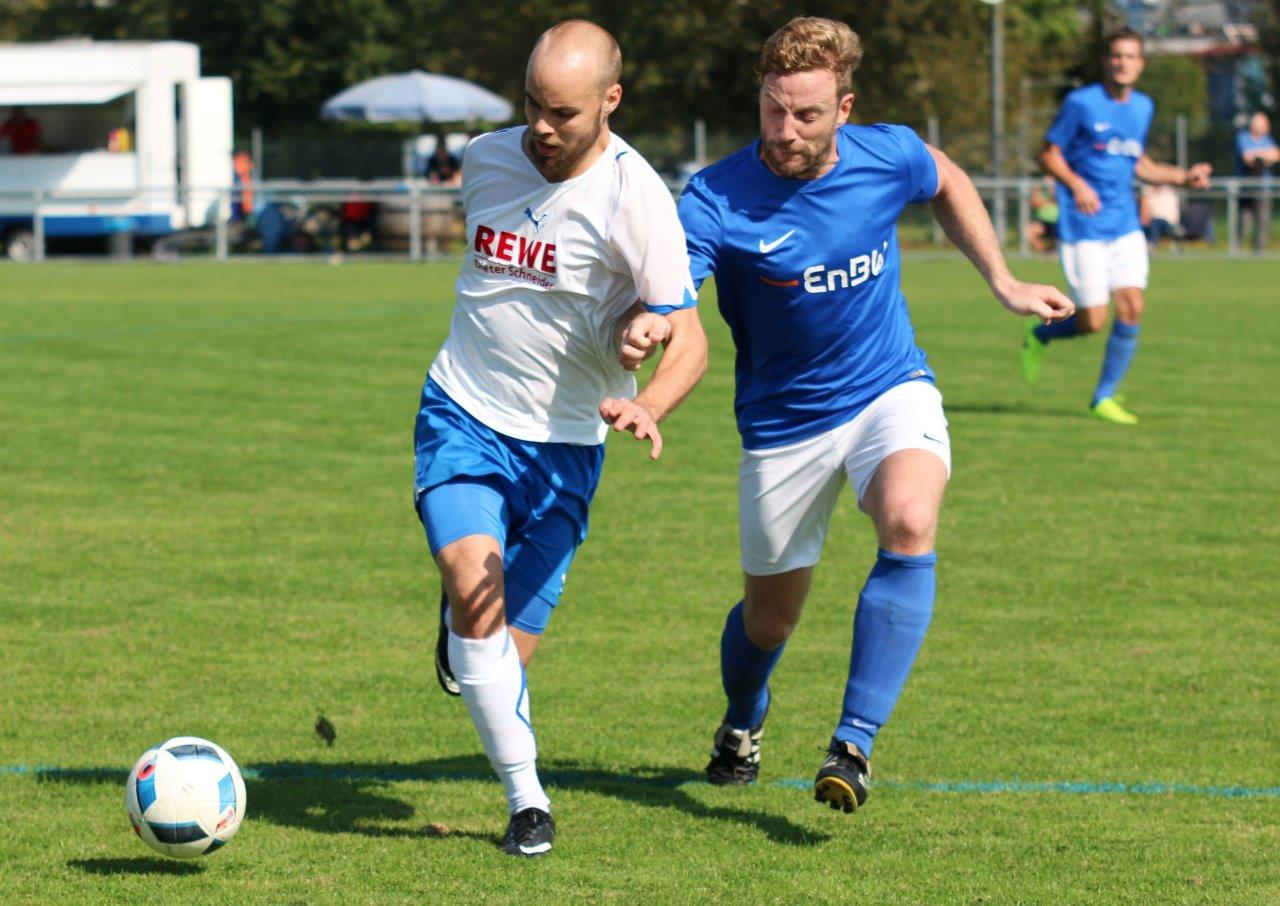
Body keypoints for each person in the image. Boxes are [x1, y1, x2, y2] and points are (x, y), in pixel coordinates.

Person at [676, 17, 1073, 813]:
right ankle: (743, 718)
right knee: (768, 621)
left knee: (909, 520)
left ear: (845, 108)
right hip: (783, 425)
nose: (785, 132)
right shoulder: (713, 195)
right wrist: (654, 325)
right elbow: (677, 298)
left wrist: (1001, 279)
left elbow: (947, 178)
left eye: (807, 115)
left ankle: (852, 744)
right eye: (772, 110)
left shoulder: (886, 153)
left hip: (888, 387)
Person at [414, 19, 706, 856]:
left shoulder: (635, 197)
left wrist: (649, 396)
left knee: (501, 652)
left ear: (610, 101)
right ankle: (527, 803)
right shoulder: (485, 158)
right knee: (476, 598)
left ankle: (470, 637)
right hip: (463, 411)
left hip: (568, 447)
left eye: (565, 114)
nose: (542, 128)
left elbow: (688, 337)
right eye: (534, 106)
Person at [1021, 28, 1212, 425]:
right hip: (1084, 224)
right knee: (1092, 320)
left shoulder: (1143, 107)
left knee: (1133, 305)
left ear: (1140, 64)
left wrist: (1183, 176)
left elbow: (1138, 163)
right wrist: (1076, 185)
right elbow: (1047, 154)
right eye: (1116, 56)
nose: (1122, 62)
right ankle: (1041, 336)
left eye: (1130, 56)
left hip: (1124, 223)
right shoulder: (1081, 103)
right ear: (1106, 61)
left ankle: (1103, 396)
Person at [1235, 111, 1278, 253]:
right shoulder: (1243, 137)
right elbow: (1248, 158)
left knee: (1263, 222)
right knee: (1243, 222)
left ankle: (1259, 253)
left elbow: (1276, 154)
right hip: (1246, 187)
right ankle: (1237, 251)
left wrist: (1258, 154)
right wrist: (1266, 154)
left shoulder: (1267, 139)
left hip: (1264, 188)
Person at [1140, 182, 1181, 248]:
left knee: (1158, 222)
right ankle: (1151, 243)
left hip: (1169, 222)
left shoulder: (1170, 191)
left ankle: (1152, 243)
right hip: (1153, 221)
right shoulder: (1148, 191)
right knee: (1155, 223)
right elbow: (1144, 213)